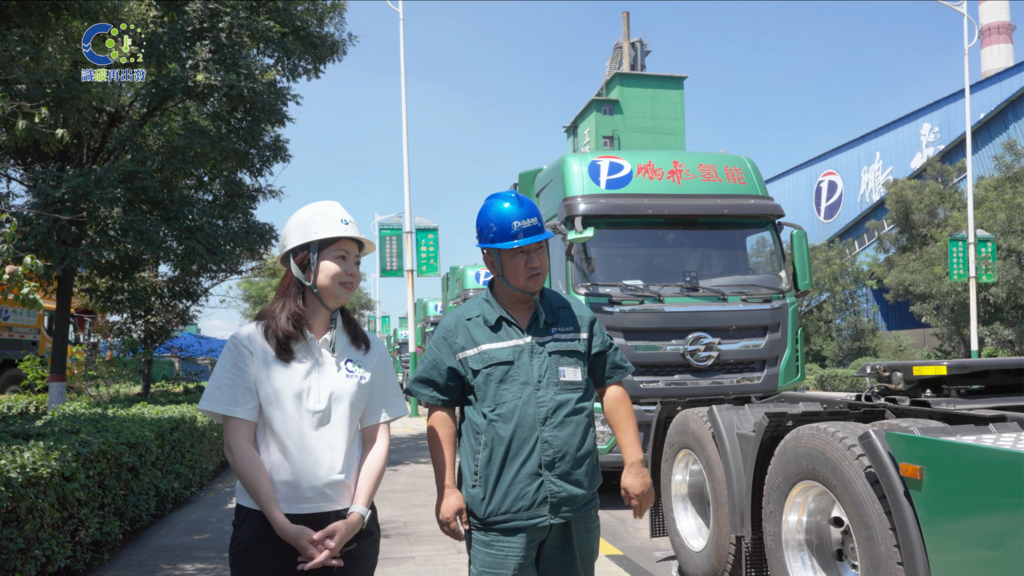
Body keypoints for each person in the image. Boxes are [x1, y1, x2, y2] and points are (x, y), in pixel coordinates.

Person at [404, 191, 655, 576]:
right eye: (520, 253)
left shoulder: (575, 316)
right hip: (500, 515)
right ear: (491, 260)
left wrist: (635, 464)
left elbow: (612, 385)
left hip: (574, 508)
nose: (535, 260)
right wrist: (447, 490)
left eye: (538, 248)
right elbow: (441, 410)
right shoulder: (461, 330)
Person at [198, 201, 408, 575]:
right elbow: (237, 444)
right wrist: (281, 524)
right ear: (302, 263)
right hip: (265, 525)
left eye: (357, 262)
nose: (352, 271)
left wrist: (357, 516)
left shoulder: (370, 348)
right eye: (341, 257)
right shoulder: (250, 343)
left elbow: (377, 439)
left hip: (348, 525)